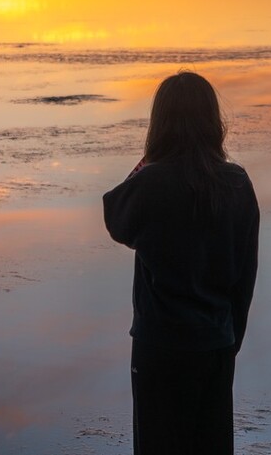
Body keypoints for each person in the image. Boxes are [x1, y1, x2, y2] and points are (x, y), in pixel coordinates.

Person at [103, 71, 260, 455]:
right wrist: (231, 337)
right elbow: (246, 274)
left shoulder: (153, 181)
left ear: (160, 125)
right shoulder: (237, 182)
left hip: (161, 344)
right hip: (216, 341)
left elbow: (116, 216)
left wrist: (150, 158)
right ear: (213, 123)